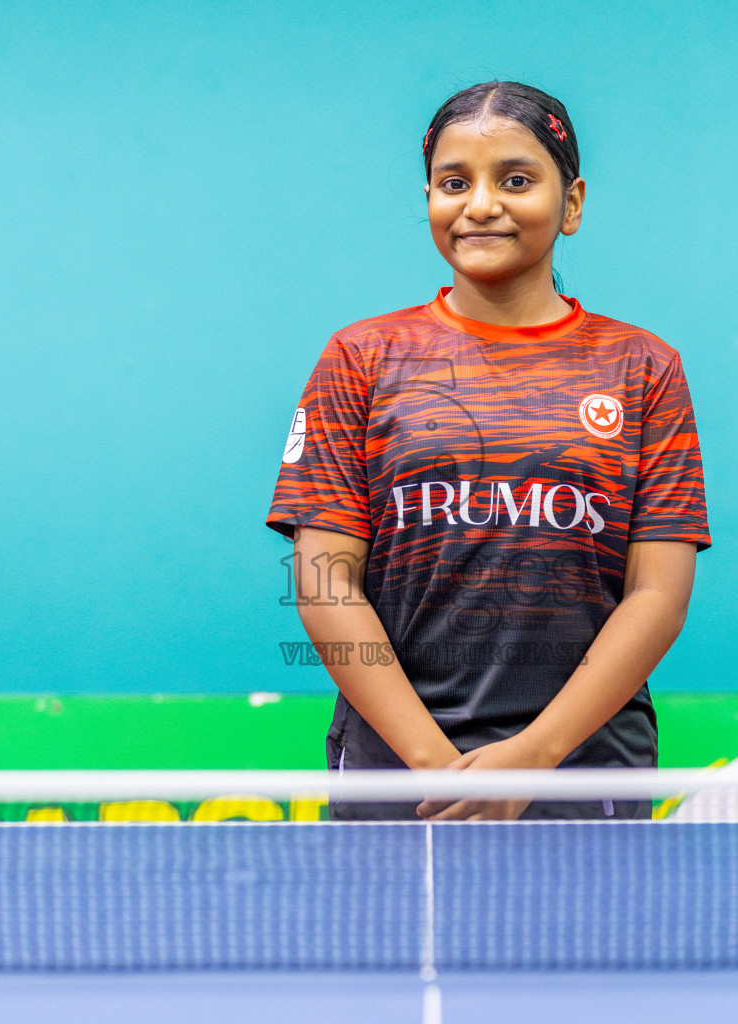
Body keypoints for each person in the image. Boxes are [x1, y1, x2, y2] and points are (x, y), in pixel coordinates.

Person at [266, 81, 710, 821]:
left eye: (516, 179)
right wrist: (436, 767)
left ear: (571, 203)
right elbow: (324, 583)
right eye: (453, 183)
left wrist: (533, 760)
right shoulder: (362, 357)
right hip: (397, 771)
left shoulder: (643, 367)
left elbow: (657, 596)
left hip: (580, 766)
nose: (479, 205)